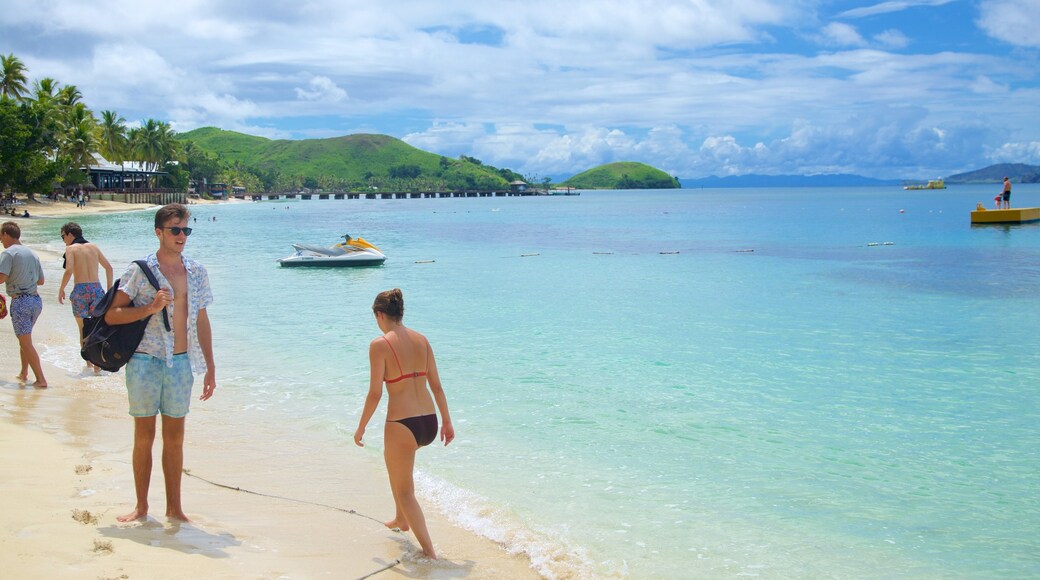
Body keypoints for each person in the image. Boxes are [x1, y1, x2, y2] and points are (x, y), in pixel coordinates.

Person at [104, 203, 215, 522]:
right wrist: (151, 307)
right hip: (144, 361)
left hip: (181, 363)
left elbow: (202, 320)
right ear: (159, 232)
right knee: (144, 435)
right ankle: (141, 506)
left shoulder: (197, 271)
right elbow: (112, 314)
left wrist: (209, 366)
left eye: (185, 230)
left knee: (176, 438)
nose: (181, 236)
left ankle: (174, 509)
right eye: (175, 230)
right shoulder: (140, 270)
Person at [354, 288, 455, 559]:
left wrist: (361, 426)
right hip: (429, 422)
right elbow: (437, 386)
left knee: (404, 489)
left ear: (379, 314)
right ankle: (401, 519)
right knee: (395, 467)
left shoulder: (379, 345)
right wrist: (447, 422)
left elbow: (375, 393)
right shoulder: (422, 340)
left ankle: (430, 552)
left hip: (402, 423)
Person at [57, 222, 114, 373]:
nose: (63, 240)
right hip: (97, 290)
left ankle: (88, 364)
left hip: (80, 290)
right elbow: (109, 268)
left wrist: (61, 289)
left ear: (70, 234)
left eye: (63, 236)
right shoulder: (94, 247)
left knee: (82, 328)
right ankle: (98, 366)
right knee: (96, 327)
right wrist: (109, 290)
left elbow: (69, 270)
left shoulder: (70, 249)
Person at [0, 221, 47, 387]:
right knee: (25, 339)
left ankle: (41, 380)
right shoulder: (32, 254)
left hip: (21, 301)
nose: (1, 241)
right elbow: (41, 281)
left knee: (26, 342)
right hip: (36, 301)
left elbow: (1, 278)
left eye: (1, 237)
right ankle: (24, 373)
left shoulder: (8, 253)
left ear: (6, 234)